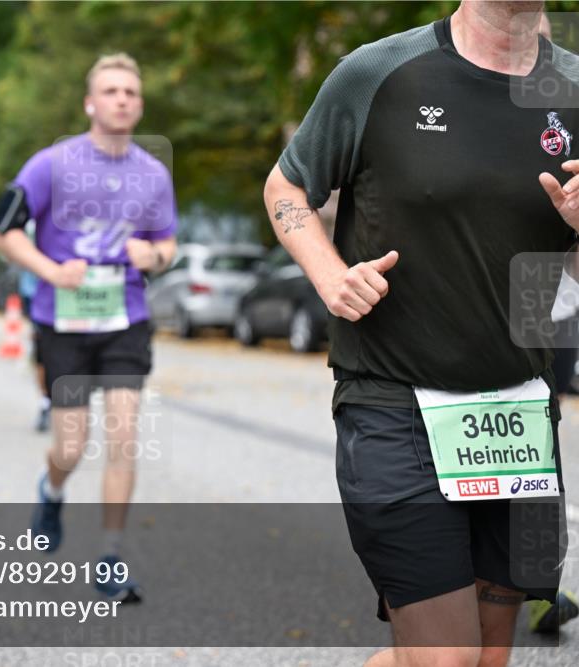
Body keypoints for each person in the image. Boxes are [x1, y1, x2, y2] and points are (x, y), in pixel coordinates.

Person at [265, 2, 577, 664]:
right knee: (447, 658)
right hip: (392, 400)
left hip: (514, 412)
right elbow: (287, 185)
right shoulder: (379, 73)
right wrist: (329, 275)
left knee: (486, 660)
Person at [0, 53, 177, 602]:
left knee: (123, 436)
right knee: (71, 445)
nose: (122, 99)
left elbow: (167, 243)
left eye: (130, 92)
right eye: (111, 91)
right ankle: (51, 490)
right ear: (90, 103)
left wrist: (154, 256)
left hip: (125, 322)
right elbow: (3, 228)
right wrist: (50, 270)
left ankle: (112, 558)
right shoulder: (51, 164)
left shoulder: (153, 174)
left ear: (139, 106)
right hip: (62, 323)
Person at [18, 221, 52, 432]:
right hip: (38, 295)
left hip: (78, 297)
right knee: (43, 353)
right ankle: (45, 402)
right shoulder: (31, 223)